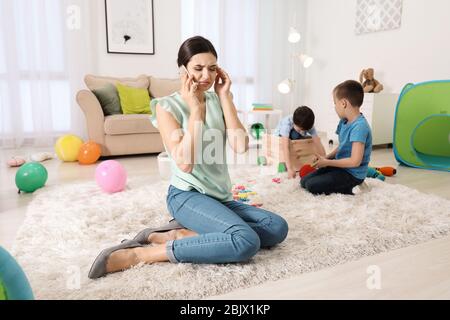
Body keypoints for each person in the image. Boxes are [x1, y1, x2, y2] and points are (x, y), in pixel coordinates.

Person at [88, 36, 288, 279]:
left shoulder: (220, 99)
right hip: (186, 196)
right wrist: (195, 111)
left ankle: (179, 234)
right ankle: (140, 254)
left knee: (276, 227)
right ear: (183, 70)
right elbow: (185, 162)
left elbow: (241, 145)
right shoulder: (166, 107)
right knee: (245, 242)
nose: (206, 76)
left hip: (220, 198)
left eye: (212, 68)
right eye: (198, 68)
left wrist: (225, 97)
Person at [300, 80, 372, 195]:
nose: (335, 107)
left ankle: (353, 187)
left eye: (335, 103)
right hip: (340, 167)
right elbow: (342, 147)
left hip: (352, 174)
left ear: (343, 103)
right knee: (304, 181)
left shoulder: (359, 126)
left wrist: (328, 162)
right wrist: (325, 159)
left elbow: (355, 161)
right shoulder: (343, 122)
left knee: (311, 185)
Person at [275, 106, 326, 179]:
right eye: (301, 129)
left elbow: (317, 142)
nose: (303, 131)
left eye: (305, 130)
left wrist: (324, 158)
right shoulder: (287, 123)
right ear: (294, 122)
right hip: (280, 135)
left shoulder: (308, 125)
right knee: (295, 135)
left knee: (309, 138)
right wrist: (289, 168)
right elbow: (285, 146)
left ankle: (300, 137)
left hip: (296, 137)